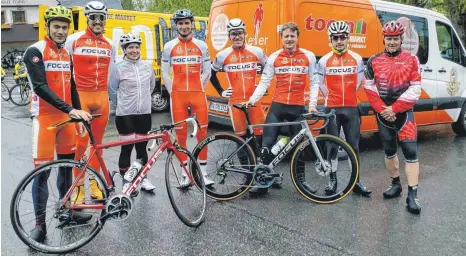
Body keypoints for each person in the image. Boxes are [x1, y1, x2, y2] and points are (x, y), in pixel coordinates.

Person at [24, 5, 93, 242]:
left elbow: (72, 86)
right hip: (44, 119)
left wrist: (78, 114)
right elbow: (40, 87)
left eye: (64, 27)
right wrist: (71, 110)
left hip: (66, 120)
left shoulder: (67, 54)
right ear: (48, 27)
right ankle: (40, 224)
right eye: (57, 27)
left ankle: (68, 211)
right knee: (41, 174)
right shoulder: (35, 51)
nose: (61, 31)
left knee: (66, 169)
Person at [243, 22, 317, 195]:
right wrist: (252, 99)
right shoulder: (275, 57)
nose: (289, 39)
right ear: (281, 38)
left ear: (297, 37)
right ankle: (264, 183)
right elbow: (265, 81)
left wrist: (312, 104)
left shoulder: (308, 56)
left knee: (301, 146)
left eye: (292, 36)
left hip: (297, 107)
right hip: (278, 106)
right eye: (286, 36)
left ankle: (302, 183)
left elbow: (314, 82)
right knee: (266, 145)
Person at [364, 20, 422, 214]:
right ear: (384, 39)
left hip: (403, 114)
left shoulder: (412, 60)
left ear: (401, 39)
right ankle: (395, 184)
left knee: (410, 151)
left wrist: (394, 108)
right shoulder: (374, 60)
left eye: (395, 38)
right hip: (383, 114)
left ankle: (412, 194)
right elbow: (369, 87)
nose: (392, 42)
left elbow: (415, 88)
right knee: (389, 151)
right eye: (389, 38)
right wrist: (382, 109)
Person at [311, 21, 371, 197]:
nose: (339, 41)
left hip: (351, 108)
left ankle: (356, 181)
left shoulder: (357, 58)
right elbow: (320, 84)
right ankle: (333, 180)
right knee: (332, 147)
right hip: (333, 110)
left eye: (342, 37)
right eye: (335, 38)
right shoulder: (324, 61)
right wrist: (330, 97)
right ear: (330, 39)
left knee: (354, 146)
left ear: (348, 38)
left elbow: (360, 82)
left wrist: (349, 96)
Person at [65, 1, 116, 203]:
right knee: (80, 145)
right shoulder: (73, 40)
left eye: (101, 18)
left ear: (105, 20)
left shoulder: (110, 43)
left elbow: (111, 72)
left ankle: (95, 185)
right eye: (93, 17)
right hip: (81, 98)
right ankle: (77, 189)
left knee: (98, 146)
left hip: (101, 98)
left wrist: (109, 97)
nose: (97, 21)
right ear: (87, 18)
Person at [162, 9, 213, 187]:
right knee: (181, 135)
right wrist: (173, 92)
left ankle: (203, 173)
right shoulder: (169, 46)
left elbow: (207, 71)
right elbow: (165, 74)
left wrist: (199, 87)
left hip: (198, 94)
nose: (184, 26)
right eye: (180, 23)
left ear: (192, 24)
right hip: (177, 96)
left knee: (203, 134)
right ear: (176, 25)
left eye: (187, 23)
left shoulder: (201, 45)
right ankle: (185, 174)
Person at [109, 32, 156, 192]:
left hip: (144, 114)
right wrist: (122, 104)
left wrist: (143, 102)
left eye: (136, 47)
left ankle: (143, 179)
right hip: (125, 115)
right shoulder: (118, 68)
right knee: (127, 149)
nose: (134, 50)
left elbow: (151, 86)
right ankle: (126, 182)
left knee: (142, 149)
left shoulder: (147, 66)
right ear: (125, 49)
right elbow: (112, 90)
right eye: (130, 47)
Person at [210, 18, 267, 146]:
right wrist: (221, 91)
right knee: (240, 138)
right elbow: (211, 73)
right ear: (229, 36)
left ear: (245, 33)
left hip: (254, 100)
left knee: (260, 135)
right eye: (233, 34)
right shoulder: (222, 55)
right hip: (235, 102)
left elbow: (269, 69)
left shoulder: (256, 51)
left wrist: (262, 86)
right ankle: (246, 166)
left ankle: (259, 163)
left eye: (240, 33)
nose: (237, 37)